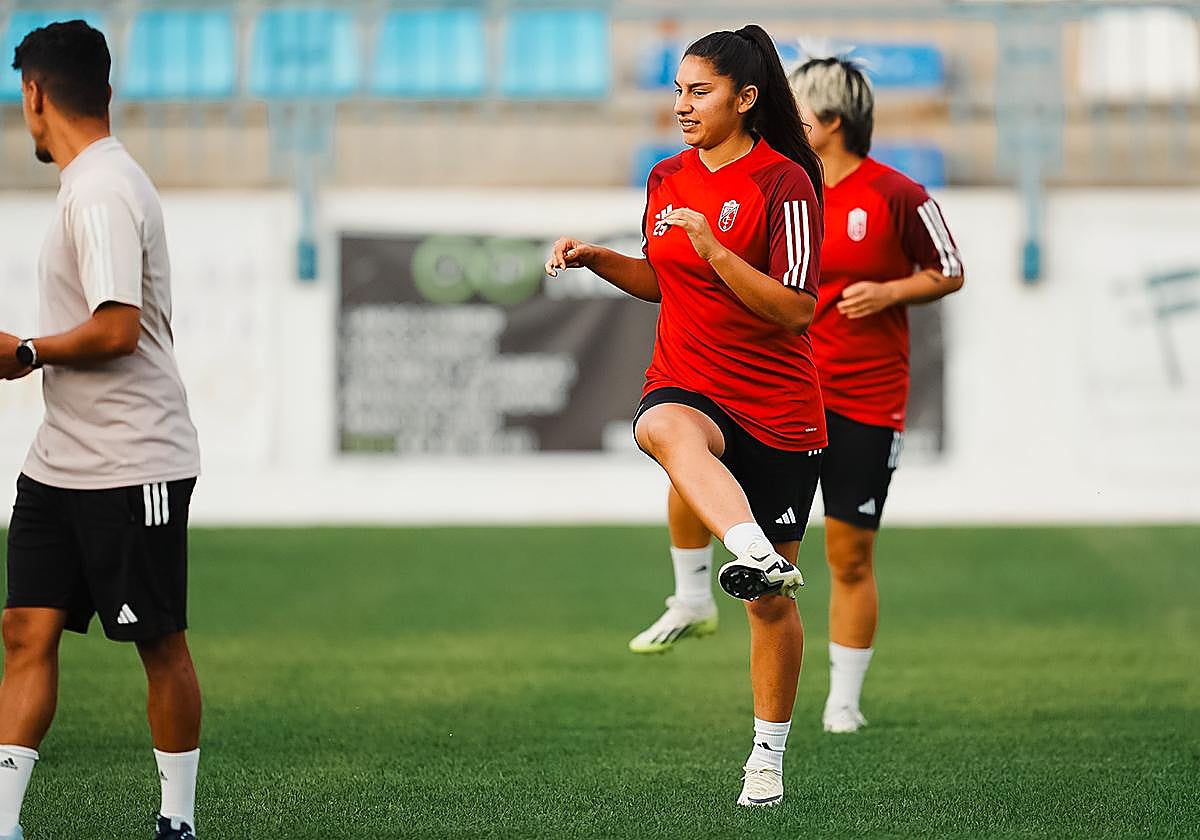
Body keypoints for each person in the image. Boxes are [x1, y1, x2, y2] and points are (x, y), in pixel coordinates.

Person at [547, 25, 825, 807]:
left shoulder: (785, 185)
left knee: (771, 607)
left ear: (746, 99)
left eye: (699, 91)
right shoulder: (666, 177)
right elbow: (663, 281)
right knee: (661, 427)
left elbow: (797, 310)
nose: (682, 105)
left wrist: (716, 251)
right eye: (676, 89)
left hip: (778, 408)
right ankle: (747, 552)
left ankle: (766, 758)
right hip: (690, 381)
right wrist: (600, 259)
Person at [0, 21, 203, 840]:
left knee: (158, 644)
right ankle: (5, 821)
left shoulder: (103, 189)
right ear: (107, 92)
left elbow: (116, 329)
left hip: (134, 460)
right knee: (24, 629)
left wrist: (23, 350)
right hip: (64, 460)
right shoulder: (92, 181)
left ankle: (176, 822)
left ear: (36, 94)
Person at [791, 55, 964, 733]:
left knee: (850, 555)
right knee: (777, 556)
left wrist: (891, 290)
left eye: (800, 111)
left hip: (866, 397)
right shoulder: (786, 189)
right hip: (790, 396)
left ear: (832, 122)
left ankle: (843, 701)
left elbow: (949, 270)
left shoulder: (899, 194)